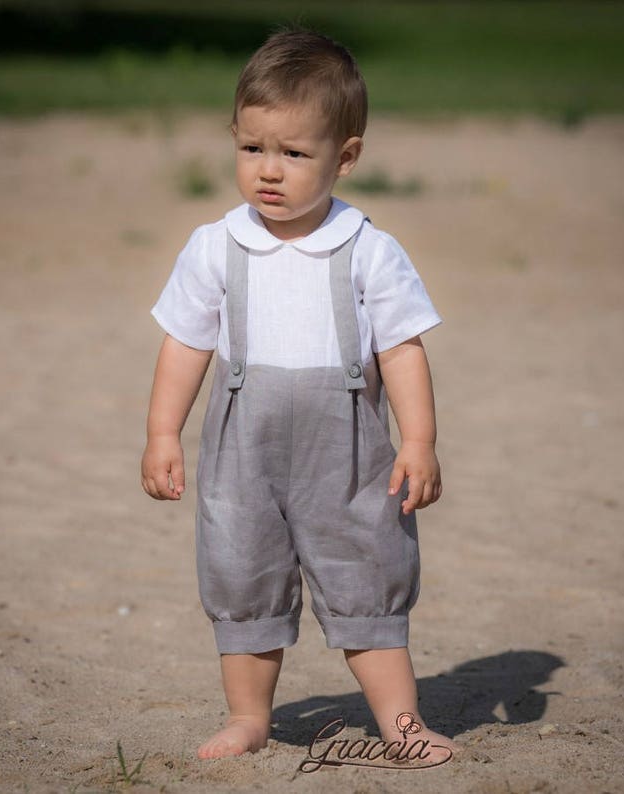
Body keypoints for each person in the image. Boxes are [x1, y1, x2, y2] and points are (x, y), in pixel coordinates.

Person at [141, 28, 458, 764]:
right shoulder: (215, 246)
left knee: (367, 572)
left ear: (345, 157)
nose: (269, 172)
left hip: (347, 452)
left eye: (294, 154)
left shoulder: (367, 248)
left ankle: (400, 722)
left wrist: (418, 442)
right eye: (252, 149)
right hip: (241, 450)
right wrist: (162, 433)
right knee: (241, 572)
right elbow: (185, 344)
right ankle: (248, 717)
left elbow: (402, 347)